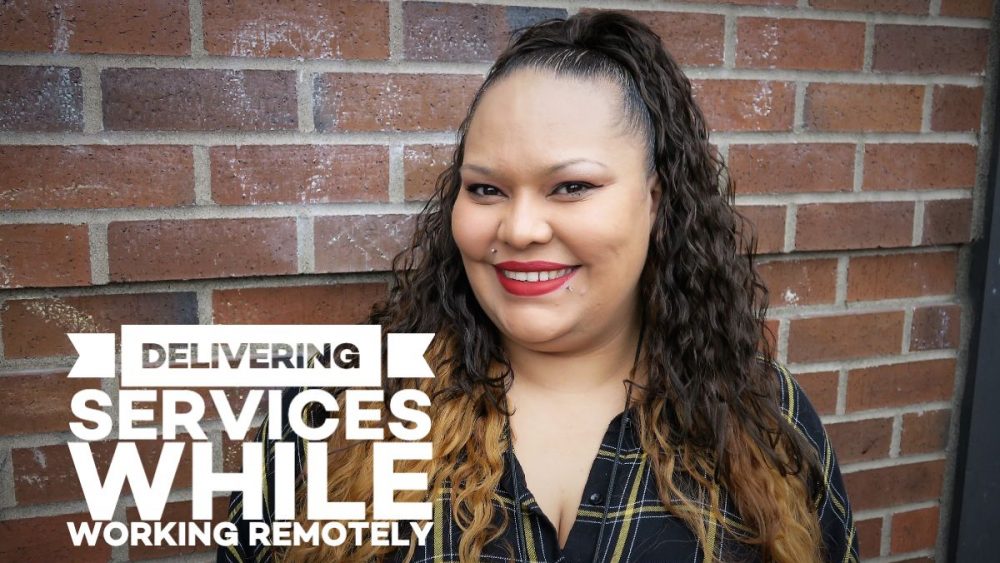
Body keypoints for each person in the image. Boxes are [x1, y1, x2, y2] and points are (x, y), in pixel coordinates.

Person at [220, 10, 859, 563]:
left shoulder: (764, 418)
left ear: (657, 201)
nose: (520, 228)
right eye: (486, 189)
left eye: (571, 186)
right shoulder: (329, 414)